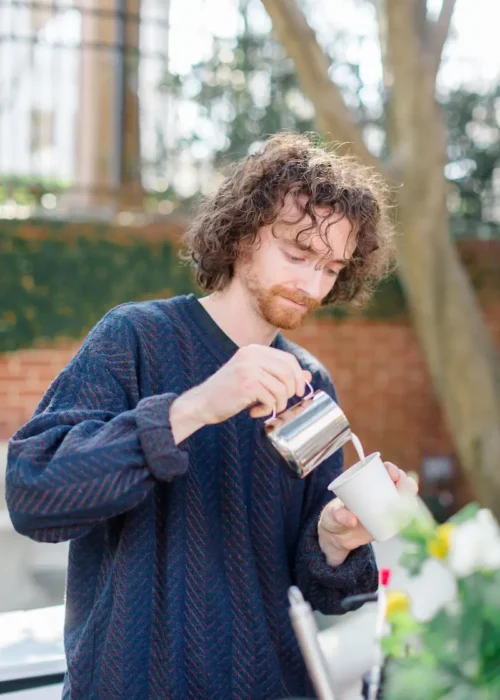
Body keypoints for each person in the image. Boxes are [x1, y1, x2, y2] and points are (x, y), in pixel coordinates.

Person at [6, 133, 417, 700]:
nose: (311, 284)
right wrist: (195, 407)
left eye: (330, 267)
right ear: (244, 234)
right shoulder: (135, 338)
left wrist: (335, 539)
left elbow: (325, 589)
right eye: (297, 255)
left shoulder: (309, 382)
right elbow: (33, 493)